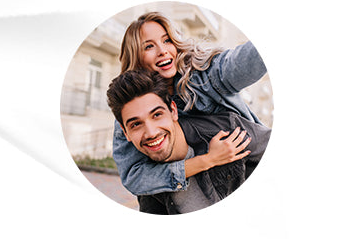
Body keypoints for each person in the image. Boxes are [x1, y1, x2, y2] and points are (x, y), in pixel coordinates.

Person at [110, 12, 267, 199]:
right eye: (149, 46)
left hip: (245, 170)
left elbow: (243, 62)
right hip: (192, 192)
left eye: (167, 40)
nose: (162, 51)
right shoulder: (131, 111)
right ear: (136, 57)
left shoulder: (205, 75)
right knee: (150, 196)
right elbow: (134, 177)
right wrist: (207, 160)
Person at [106, 70, 270, 213]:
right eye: (136, 124)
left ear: (173, 111)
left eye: (157, 115)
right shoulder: (149, 187)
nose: (151, 133)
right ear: (126, 133)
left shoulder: (227, 130)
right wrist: (208, 160)